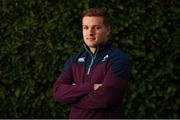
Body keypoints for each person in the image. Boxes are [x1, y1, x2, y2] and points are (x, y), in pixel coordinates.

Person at [53, 7, 131, 119]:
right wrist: (91, 87)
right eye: (86, 28)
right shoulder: (75, 60)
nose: (90, 32)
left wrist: (72, 97)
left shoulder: (118, 59)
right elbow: (58, 92)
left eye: (96, 28)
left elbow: (105, 99)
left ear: (108, 30)